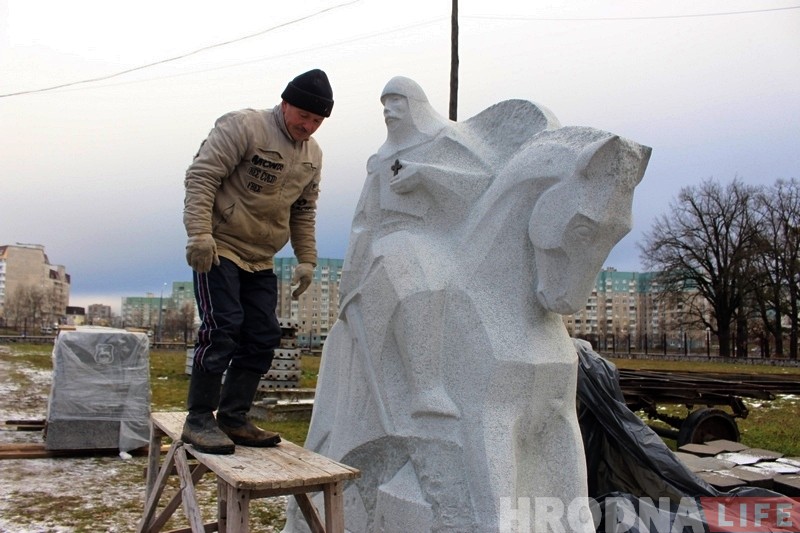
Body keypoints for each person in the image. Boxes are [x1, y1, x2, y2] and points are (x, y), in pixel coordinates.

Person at [181, 69, 333, 454]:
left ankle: (233, 418)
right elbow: (202, 176)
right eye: (303, 115)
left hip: (261, 258)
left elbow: (304, 209)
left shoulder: (312, 155)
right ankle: (199, 418)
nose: (308, 126)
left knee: (263, 335)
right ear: (285, 103)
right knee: (223, 327)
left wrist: (307, 260)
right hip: (221, 247)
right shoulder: (244, 127)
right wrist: (199, 234)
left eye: (317, 121)